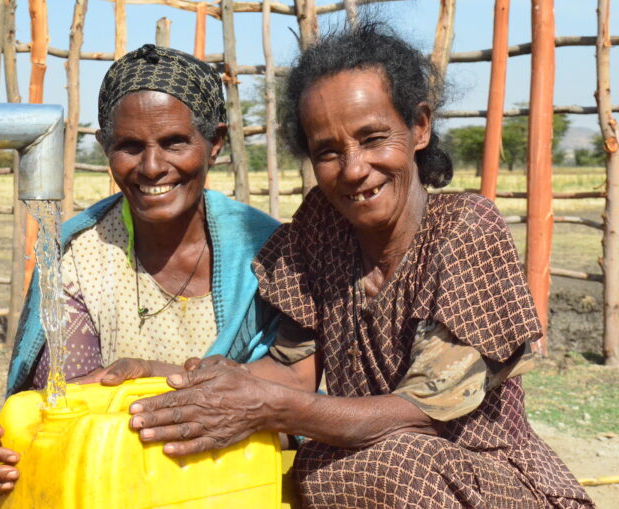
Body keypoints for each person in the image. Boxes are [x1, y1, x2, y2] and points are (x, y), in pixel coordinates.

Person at [124, 23, 595, 508]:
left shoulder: (465, 230)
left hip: (483, 482)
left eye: (373, 138)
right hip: (367, 467)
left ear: (419, 127)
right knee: (311, 470)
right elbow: (293, 372)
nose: (352, 168)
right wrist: (172, 380)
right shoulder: (320, 229)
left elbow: (421, 415)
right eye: (328, 151)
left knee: (394, 464)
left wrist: (270, 408)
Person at [0, 44, 280, 504]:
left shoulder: (270, 255)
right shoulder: (81, 257)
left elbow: (299, 398)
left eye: (174, 142)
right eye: (129, 146)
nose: (152, 166)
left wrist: (164, 380)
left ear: (215, 142)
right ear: (105, 147)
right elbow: (62, 420)